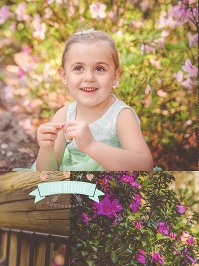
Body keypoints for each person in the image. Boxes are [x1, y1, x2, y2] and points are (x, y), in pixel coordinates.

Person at [32, 29, 154, 171]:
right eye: (79, 68)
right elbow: (47, 173)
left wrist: (91, 145)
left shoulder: (121, 116)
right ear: (64, 76)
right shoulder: (63, 115)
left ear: (114, 76)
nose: (89, 77)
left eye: (100, 68)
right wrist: (46, 148)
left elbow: (145, 165)